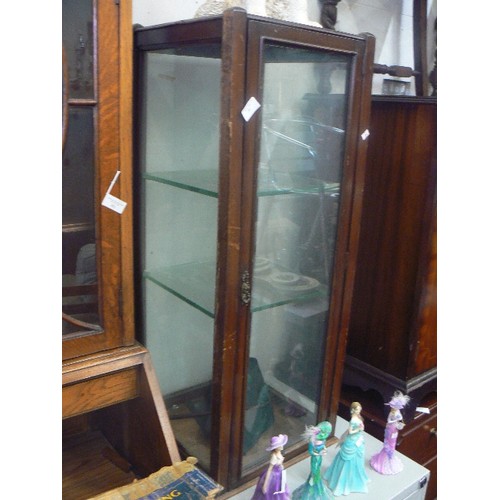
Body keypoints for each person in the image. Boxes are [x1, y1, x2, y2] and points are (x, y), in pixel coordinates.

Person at [323, 402, 369, 495]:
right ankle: (342, 480)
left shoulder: (359, 417)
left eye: (359, 409)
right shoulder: (353, 420)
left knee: (358, 458)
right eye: (357, 409)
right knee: (347, 458)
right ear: (353, 410)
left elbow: (362, 426)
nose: (359, 410)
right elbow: (351, 431)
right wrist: (358, 429)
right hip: (352, 440)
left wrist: (361, 428)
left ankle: (356, 478)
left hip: (358, 439)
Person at [370, 391, 410, 475]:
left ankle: (389, 457)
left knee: (391, 443)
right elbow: (389, 420)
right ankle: (385, 457)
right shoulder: (392, 413)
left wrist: (397, 422)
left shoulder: (397, 413)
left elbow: (399, 419)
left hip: (394, 428)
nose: (392, 408)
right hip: (390, 427)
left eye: (393, 406)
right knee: (388, 441)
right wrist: (393, 420)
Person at [292, 421, 335, 499]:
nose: (324, 435)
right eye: (323, 433)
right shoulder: (313, 440)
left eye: (326, 433)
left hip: (319, 458)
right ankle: (313, 486)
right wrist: (318, 453)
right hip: (315, 458)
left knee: (317, 471)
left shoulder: (323, 439)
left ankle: (316, 486)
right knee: (314, 472)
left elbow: (323, 447)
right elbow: (311, 451)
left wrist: (324, 450)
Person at [251, 434, 290, 499]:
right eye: (279, 445)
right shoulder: (274, 457)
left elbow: (280, 464)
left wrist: (282, 468)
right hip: (274, 475)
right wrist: (265, 484)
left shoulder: (279, 453)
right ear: (276, 447)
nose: (281, 446)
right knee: (272, 490)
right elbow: (269, 469)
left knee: (280, 488)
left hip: (279, 473)